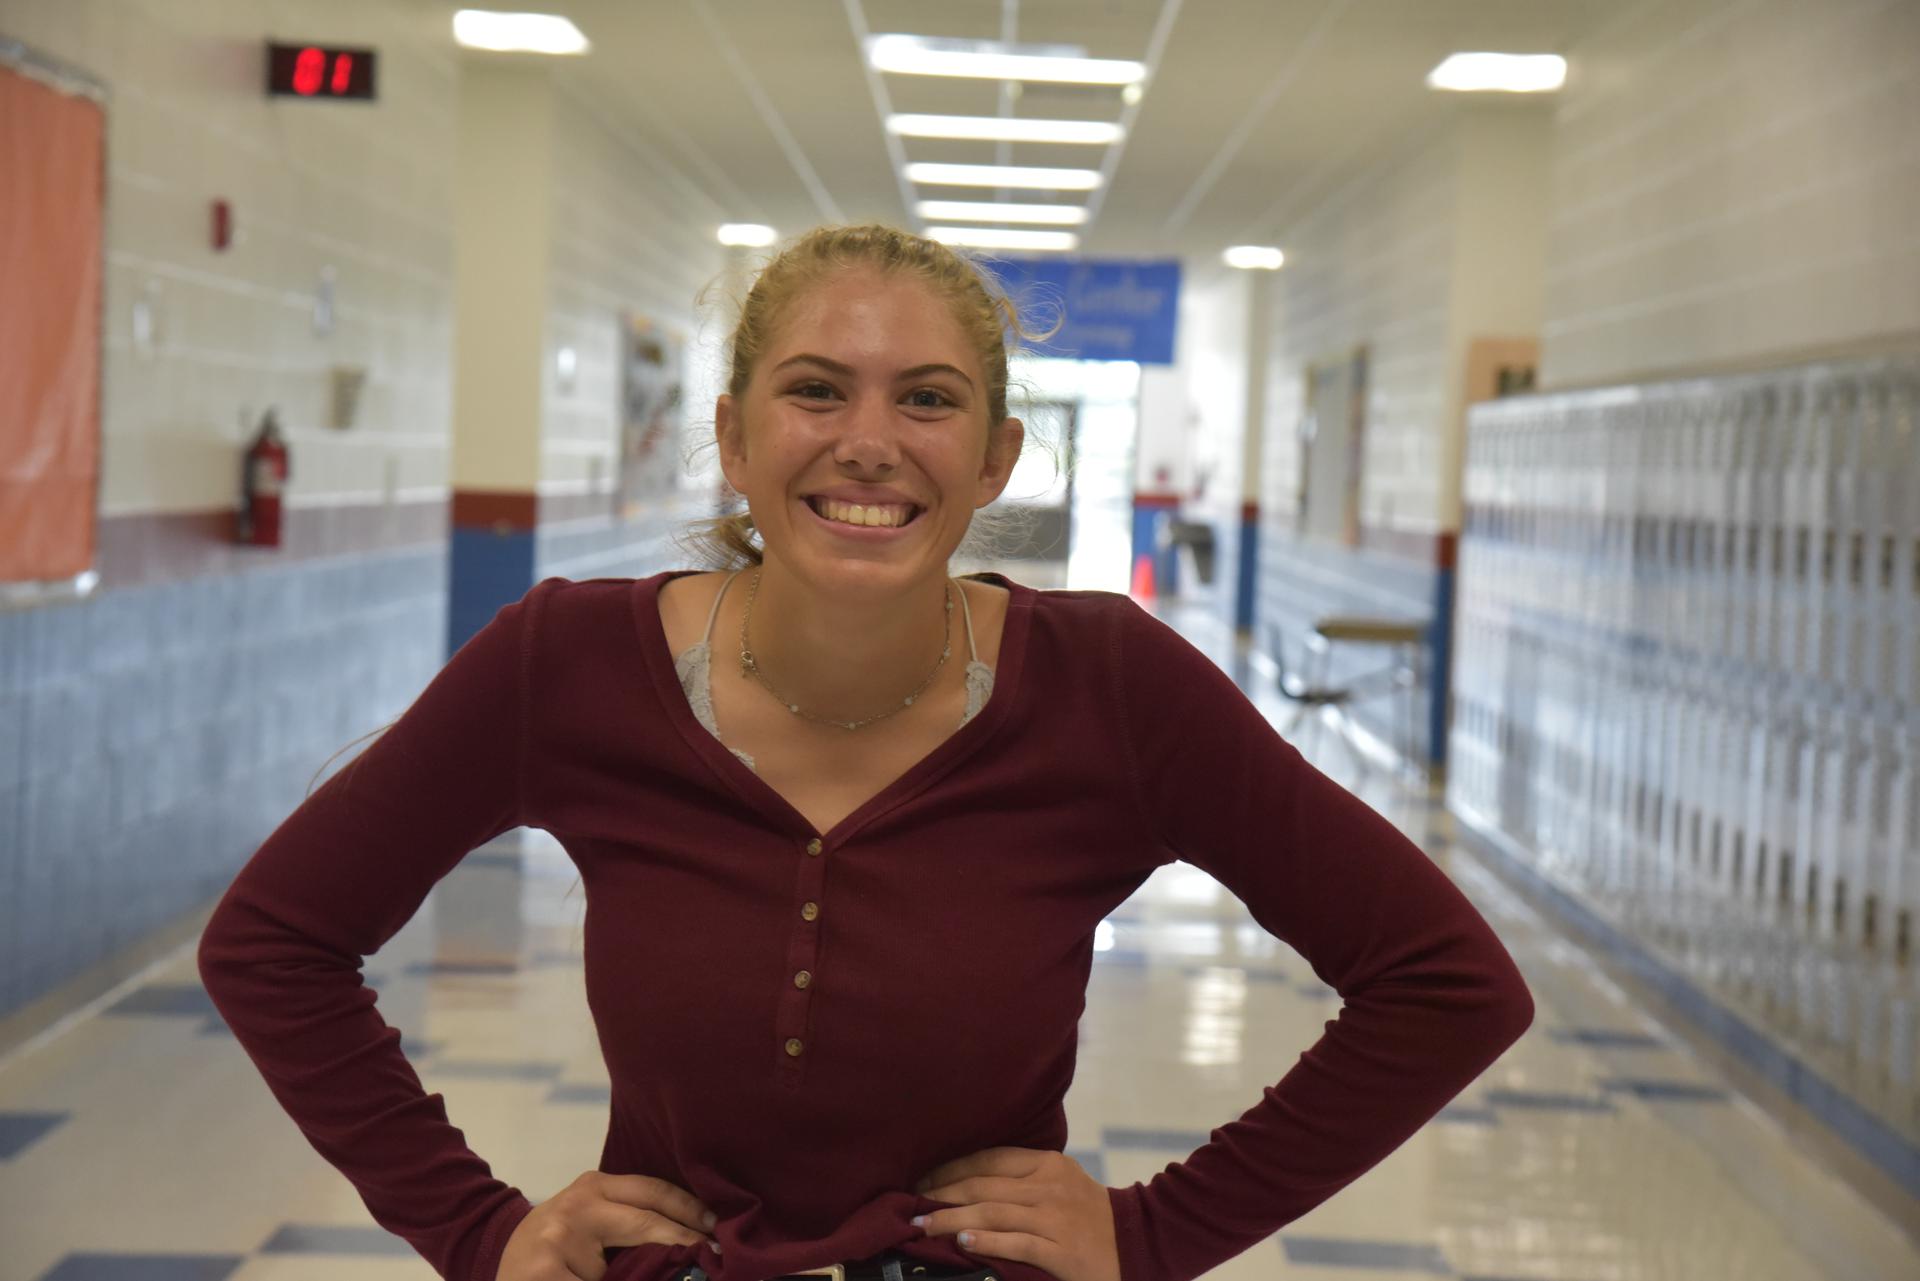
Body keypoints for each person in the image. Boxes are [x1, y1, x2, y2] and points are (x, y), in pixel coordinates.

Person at [197, 224, 1534, 1281]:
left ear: (997, 459)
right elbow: (273, 943)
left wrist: (1154, 1233)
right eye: (816, 390)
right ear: (734, 438)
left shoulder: (1112, 690)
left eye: (929, 399)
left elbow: (1446, 984)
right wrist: (479, 1232)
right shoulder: (573, 663)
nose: (870, 443)